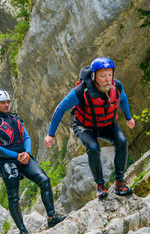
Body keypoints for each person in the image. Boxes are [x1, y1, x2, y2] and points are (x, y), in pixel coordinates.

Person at [44, 57, 135, 199]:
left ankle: (119, 183)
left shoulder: (116, 86)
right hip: (84, 126)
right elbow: (60, 109)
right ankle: (100, 185)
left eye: (110, 75)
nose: (107, 79)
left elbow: (123, 100)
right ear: (94, 76)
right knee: (93, 148)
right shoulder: (81, 91)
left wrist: (128, 117)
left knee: (122, 141)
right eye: (103, 75)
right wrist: (51, 134)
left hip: (106, 124)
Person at [0, 89, 66, 234]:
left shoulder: (15, 118)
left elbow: (26, 137)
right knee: (13, 197)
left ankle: (52, 216)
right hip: (6, 161)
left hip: (24, 157)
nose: (7, 105)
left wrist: (27, 153)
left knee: (44, 180)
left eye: (7, 102)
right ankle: (22, 230)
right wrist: (16, 156)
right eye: (3, 103)